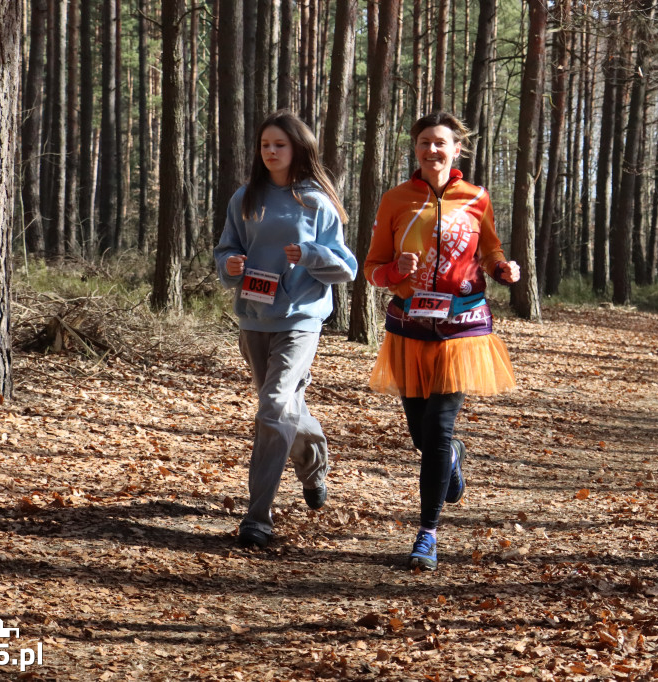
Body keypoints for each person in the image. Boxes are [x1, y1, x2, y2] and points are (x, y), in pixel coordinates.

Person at [363, 112, 520, 571]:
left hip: (462, 325)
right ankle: (451, 457)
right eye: (424, 142)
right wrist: (396, 273)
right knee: (422, 434)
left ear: (457, 150)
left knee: (438, 427)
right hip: (410, 326)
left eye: (441, 143)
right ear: (415, 149)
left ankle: (426, 533)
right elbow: (372, 267)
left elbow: (490, 249)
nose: (432, 150)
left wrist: (502, 269)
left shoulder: (475, 197)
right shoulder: (396, 199)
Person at [214, 111, 358, 549]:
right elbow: (226, 250)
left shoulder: (316, 202)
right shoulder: (245, 198)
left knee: (273, 405)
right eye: (265, 145)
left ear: (297, 148)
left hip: (300, 320)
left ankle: (258, 517)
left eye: (280, 144)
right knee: (283, 407)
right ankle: (313, 459)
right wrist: (230, 266)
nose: (271, 151)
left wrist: (311, 253)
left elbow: (346, 267)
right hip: (254, 318)